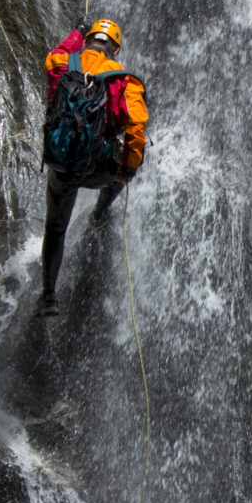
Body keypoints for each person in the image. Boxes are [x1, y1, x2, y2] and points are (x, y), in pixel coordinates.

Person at [36, 17, 148, 317]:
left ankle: (48, 297)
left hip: (63, 165)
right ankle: (101, 211)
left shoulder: (62, 62)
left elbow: (54, 54)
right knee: (120, 173)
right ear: (115, 50)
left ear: (87, 41)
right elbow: (137, 128)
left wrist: (77, 31)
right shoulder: (125, 79)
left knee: (56, 227)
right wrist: (129, 169)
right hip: (98, 167)